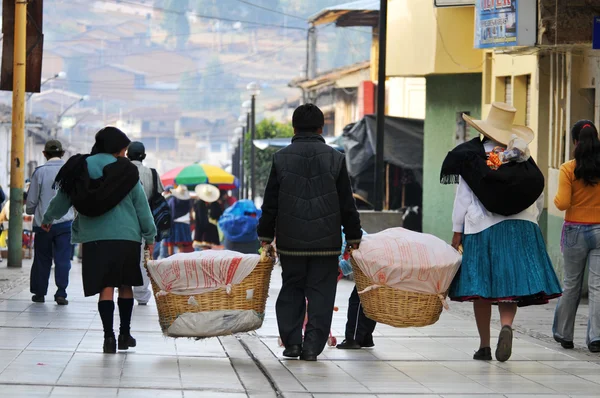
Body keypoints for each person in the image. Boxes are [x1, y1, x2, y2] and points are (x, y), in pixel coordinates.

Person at [441, 103, 562, 362]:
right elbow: (536, 196)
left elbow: (462, 199)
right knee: (511, 285)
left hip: (481, 227)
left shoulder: (473, 157)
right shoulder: (522, 155)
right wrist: (528, 221)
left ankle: (484, 345)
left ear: (484, 129)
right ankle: (506, 326)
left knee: (481, 287)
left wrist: (456, 232)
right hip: (522, 226)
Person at [258, 104, 362, 361]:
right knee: (321, 292)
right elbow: (347, 202)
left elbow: (270, 202)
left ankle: (292, 343)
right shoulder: (335, 158)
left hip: (291, 242)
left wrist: (265, 236)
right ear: (321, 128)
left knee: (292, 288)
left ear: (294, 128)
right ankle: (313, 346)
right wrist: (353, 237)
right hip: (326, 242)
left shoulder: (281, 158)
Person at [41, 126, 156, 354]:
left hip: (95, 238)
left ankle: (108, 338)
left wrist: (48, 218)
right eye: (123, 150)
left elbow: (63, 197)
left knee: (106, 286)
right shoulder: (127, 171)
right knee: (125, 285)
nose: (124, 154)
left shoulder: (80, 166)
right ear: (115, 147)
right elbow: (141, 207)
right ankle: (124, 334)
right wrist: (150, 235)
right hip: (127, 237)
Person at [553, 120, 600, 353]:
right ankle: (596, 338)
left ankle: (565, 334)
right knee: (597, 286)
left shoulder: (568, 168)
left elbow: (562, 203)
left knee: (571, 284)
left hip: (574, 231)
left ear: (574, 142)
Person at [26, 140, 74, 305]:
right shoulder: (70, 172)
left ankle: (39, 293)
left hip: (42, 225)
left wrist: (33, 211)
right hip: (65, 224)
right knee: (63, 259)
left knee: (42, 259)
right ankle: (61, 293)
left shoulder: (39, 172)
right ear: (62, 153)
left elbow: (31, 201)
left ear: (44, 154)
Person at [127, 141, 164, 306]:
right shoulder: (153, 174)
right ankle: (141, 295)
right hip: (147, 221)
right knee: (144, 257)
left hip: (124, 221)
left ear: (127, 155)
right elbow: (158, 195)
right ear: (144, 156)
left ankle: (124, 287)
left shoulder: (120, 172)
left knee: (125, 256)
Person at [166, 185, 193, 255]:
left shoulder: (172, 200)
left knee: (170, 243)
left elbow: (170, 212)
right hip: (184, 223)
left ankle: (170, 261)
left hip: (174, 224)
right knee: (180, 245)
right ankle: (178, 260)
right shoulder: (188, 201)